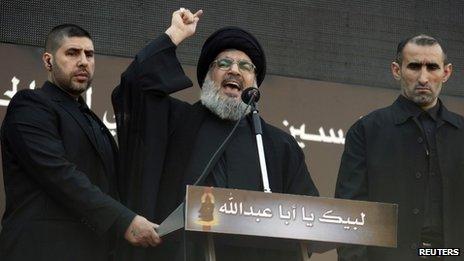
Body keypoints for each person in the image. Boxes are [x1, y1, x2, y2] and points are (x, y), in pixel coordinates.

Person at [112, 8, 319, 260]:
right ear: (208, 76)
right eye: (223, 63)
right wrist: (174, 35)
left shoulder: (278, 145)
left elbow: (310, 217)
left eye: (245, 66)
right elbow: (134, 88)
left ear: (254, 83)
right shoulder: (177, 122)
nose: (234, 70)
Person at [0, 24, 160, 261]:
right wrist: (123, 220)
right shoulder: (30, 104)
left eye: (89, 54)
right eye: (72, 53)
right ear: (48, 61)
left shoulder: (92, 120)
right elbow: (59, 174)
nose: (83, 61)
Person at [335, 34, 464, 260]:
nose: (423, 77)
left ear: (446, 72)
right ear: (397, 70)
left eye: (432, 67)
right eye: (414, 66)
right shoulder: (366, 131)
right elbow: (350, 213)